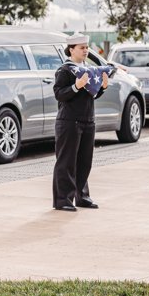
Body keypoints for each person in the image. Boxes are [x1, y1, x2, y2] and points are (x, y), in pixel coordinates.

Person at [52, 34, 109, 212]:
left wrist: (103, 88)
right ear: (71, 50)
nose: (86, 50)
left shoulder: (89, 69)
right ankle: (63, 200)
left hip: (87, 120)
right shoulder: (65, 70)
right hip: (69, 121)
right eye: (82, 48)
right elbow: (59, 94)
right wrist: (76, 86)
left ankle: (82, 197)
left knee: (85, 162)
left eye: (86, 47)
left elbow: (92, 94)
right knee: (66, 162)